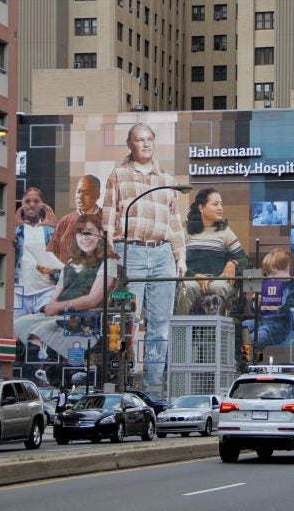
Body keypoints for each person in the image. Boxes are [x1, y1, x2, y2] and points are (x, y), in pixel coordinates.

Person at [102, 123, 186, 388]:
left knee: (160, 324)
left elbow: (174, 223)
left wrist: (180, 257)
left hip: (162, 254)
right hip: (131, 250)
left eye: (150, 139)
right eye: (140, 140)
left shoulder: (168, 181)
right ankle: (123, 381)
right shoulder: (119, 175)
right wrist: (108, 246)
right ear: (131, 144)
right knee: (129, 319)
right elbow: (109, 213)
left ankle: (152, 386)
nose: (146, 144)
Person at [14, 214, 118, 363]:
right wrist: (52, 306)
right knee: (18, 324)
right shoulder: (70, 263)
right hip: (59, 315)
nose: (85, 238)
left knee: (42, 331)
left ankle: (51, 360)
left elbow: (94, 299)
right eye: (80, 234)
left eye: (89, 232)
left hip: (84, 319)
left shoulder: (109, 261)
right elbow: (56, 295)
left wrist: (60, 306)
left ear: (100, 234)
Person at [182, 188, 248, 313]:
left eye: (221, 204)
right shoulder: (187, 233)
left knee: (217, 288)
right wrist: (195, 276)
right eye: (215, 204)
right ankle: (187, 329)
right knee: (188, 287)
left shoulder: (225, 232)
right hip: (192, 279)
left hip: (218, 279)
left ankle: (217, 330)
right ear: (201, 207)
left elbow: (244, 259)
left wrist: (233, 263)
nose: (220, 208)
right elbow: (177, 262)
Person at [14, 187, 59, 319]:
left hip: (46, 290)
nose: (32, 204)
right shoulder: (17, 229)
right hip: (18, 292)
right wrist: (13, 228)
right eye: (27, 201)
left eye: (36, 201)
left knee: (42, 332)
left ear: (42, 205)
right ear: (22, 204)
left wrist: (56, 228)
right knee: (16, 333)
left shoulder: (48, 229)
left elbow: (62, 254)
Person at [242, 248, 294, 349]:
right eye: (267, 274)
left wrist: (277, 307)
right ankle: (245, 356)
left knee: (256, 337)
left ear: (286, 268)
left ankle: (248, 358)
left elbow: (292, 311)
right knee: (243, 326)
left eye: (273, 273)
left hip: (279, 327)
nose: (270, 278)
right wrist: (255, 303)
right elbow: (254, 309)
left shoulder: (292, 287)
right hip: (262, 321)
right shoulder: (267, 283)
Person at [47, 175, 103, 264]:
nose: (80, 196)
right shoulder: (65, 221)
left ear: (97, 195)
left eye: (86, 192)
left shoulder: (107, 219)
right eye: (78, 192)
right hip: (68, 275)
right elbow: (52, 253)